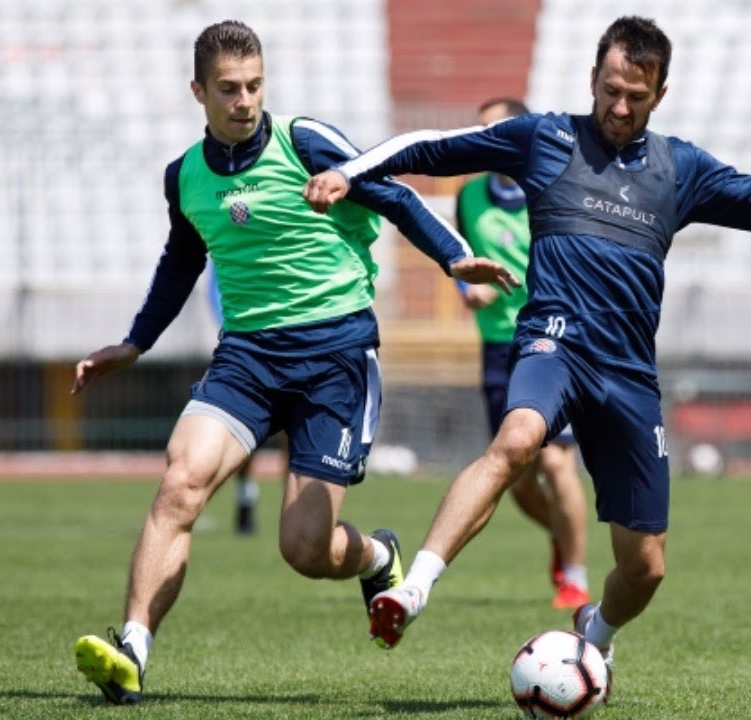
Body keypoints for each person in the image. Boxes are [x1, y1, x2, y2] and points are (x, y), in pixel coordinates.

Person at [304, 15, 751, 680]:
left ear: (660, 94)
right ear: (592, 80)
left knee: (645, 566)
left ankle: (594, 630)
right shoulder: (544, 137)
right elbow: (432, 148)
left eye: (636, 95)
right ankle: (413, 588)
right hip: (554, 342)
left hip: (629, 375)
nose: (620, 106)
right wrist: (350, 170)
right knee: (518, 440)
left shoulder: (681, 168)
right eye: (610, 90)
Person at [68, 20, 516, 705]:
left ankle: (375, 555)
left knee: (304, 550)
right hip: (246, 356)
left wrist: (455, 259)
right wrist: (135, 342)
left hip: (334, 355)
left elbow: (392, 192)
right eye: (227, 89)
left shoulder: (305, 141)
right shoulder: (183, 177)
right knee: (180, 482)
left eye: (253, 85)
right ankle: (132, 648)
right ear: (198, 91)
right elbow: (181, 261)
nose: (244, 100)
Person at [455, 97, 590, 610]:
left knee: (558, 464)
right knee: (516, 481)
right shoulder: (468, 197)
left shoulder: (553, 189)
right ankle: (562, 534)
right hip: (495, 349)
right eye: (481, 129)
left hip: (549, 341)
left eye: (500, 129)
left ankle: (574, 577)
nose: (489, 138)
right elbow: (464, 262)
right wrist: (468, 291)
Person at [206, 260, 260, 535]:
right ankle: (246, 495)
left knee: (294, 436)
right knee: (243, 434)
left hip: (289, 345)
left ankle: (296, 508)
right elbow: (213, 289)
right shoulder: (234, 231)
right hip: (242, 345)